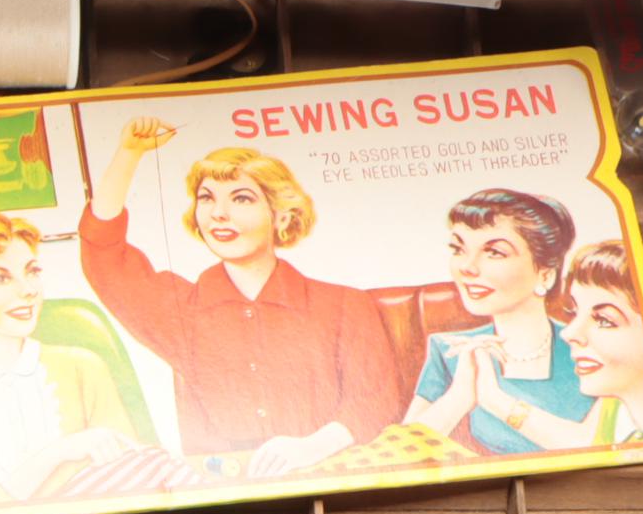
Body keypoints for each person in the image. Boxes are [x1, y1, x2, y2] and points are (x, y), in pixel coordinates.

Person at [77, 119, 404, 477]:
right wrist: (129, 153)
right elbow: (104, 256)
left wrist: (310, 447)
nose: (219, 213)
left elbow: (376, 402)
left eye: (241, 198)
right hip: (226, 497)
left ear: (280, 215)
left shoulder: (345, 306)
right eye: (207, 198)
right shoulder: (182, 311)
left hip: (331, 478)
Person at [0, 209, 192, 508]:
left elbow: (133, 479)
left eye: (32, 272)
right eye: (0, 278)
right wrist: (55, 456)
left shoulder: (84, 366)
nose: (28, 290)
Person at [406, 186, 594, 454]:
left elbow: (603, 444)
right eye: (458, 249)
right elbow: (401, 455)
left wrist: (495, 400)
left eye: (494, 252)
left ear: (545, 275)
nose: (468, 267)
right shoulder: (451, 351)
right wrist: (459, 396)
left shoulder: (591, 348)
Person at [469, 240, 643, 450]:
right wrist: (492, 397)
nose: (569, 333)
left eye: (604, 320)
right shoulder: (613, 400)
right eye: (574, 312)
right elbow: (581, 442)